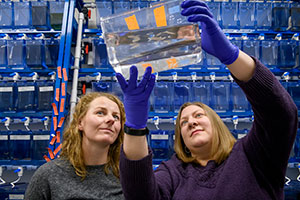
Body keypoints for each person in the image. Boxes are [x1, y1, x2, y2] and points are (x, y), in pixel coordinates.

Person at [115, 0, 298, 199]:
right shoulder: (173, 172)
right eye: (183, 123)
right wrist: (134, 128)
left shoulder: (252, 154)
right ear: (180, 138)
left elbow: (280, 115)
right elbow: (140, 196)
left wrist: (231, 56)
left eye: (198, 115)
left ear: (217, 123)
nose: (191, 122)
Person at [25, 92, 125, 200]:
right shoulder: (48, 175)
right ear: (80, 123)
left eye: (116, 117)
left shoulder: (125, 176)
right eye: (100, 113)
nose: (110, 120)